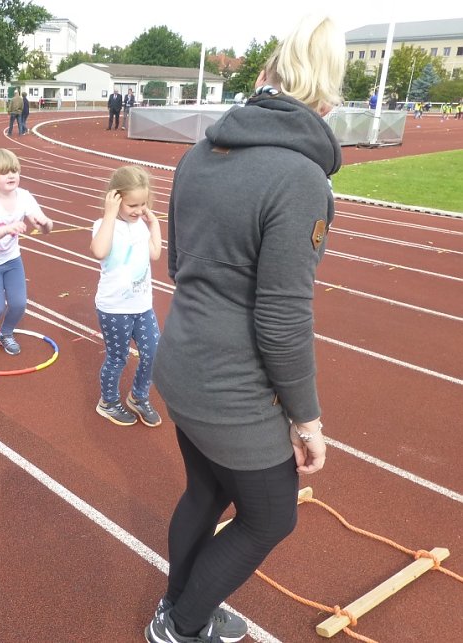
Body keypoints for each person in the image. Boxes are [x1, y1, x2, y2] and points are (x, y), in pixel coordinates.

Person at [146, 14, 343, 643]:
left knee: (205, 495)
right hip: (230, 387)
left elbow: (178, 265)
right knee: (270, 517)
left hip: (181, 361)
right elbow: (282, 320)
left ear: (265, 76)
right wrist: (307, 421)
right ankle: (181, 626)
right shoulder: (299, 178)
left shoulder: (198, 155)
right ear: (326, 98)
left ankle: (175, 609)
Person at [90, 166, 162, 427]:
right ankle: (108, 402)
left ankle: (138, 397)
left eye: (143, 204)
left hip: (142, 306)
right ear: (115, 198)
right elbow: (99, 251)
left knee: (154, 353)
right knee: (118, 357)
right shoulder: (104, 225)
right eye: (132, 205)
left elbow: (155, 253)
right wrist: (109, 215)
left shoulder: (140, 225)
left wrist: (154, 224)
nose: (139, 210)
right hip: (115, 308)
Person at [0, 148, 53, 354]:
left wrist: (45, 223)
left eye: (14, 171)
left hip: (11, 258)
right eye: (4, 172)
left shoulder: (24, 197)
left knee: (19, 304)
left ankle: (6, 333)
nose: (11, 175)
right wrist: (7, 229)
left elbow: (46, 228)